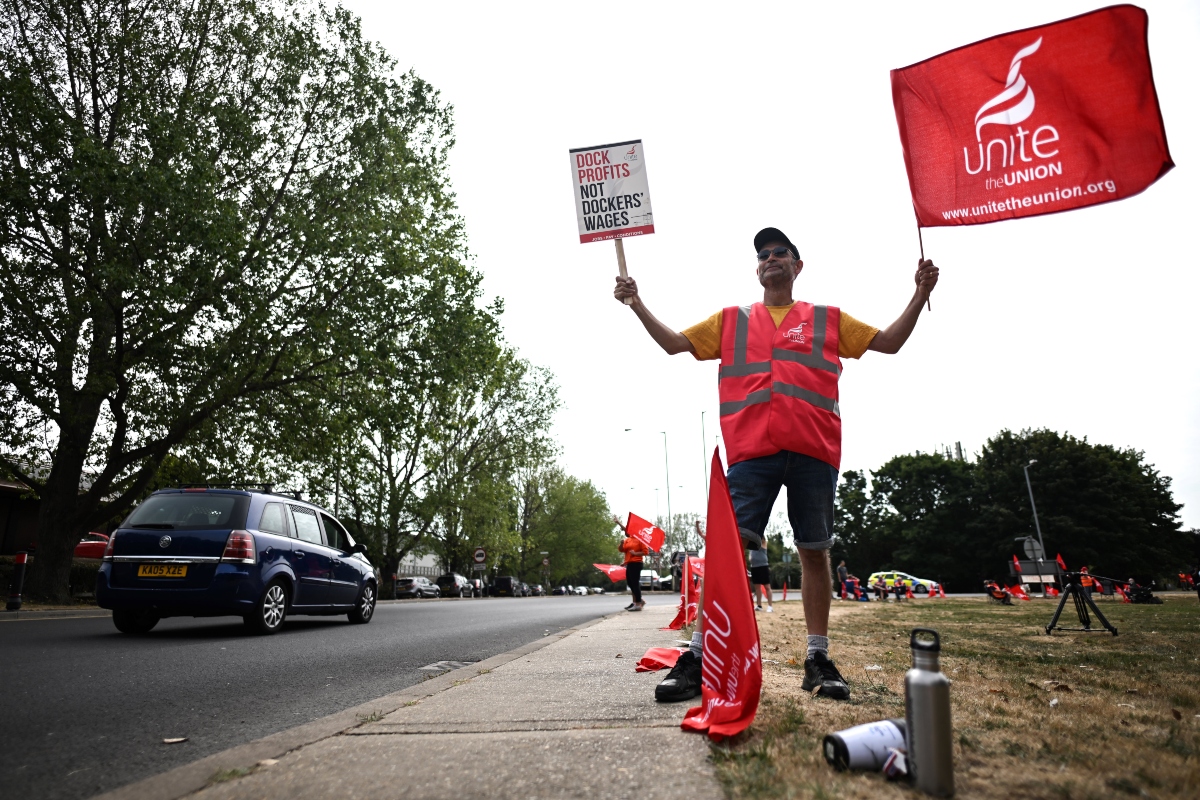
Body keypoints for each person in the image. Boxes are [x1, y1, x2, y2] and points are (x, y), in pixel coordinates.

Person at [617, 226, 938, 702]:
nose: (770, 258)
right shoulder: (732, 320)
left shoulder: (827, 318)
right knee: (728, 553)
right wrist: (636, 303)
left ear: (796, 265)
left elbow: (888, 342)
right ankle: (700, 656)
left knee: (814, 551)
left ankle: (818, 657)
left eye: (779, 252)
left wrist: (920, 293)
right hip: (751, 455)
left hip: (814, 452)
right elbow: (673, 344)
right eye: (763, 255)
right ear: (757, 269)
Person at [614, 514, 648, 611]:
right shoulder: (628, 540)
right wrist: (621, 544)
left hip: (636, 563)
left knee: (635, 583)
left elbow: (645, 552)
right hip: (629, 563)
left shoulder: (640, 540)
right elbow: (622, 550)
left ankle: (638, 603)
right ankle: (637, 601)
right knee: (630, 583)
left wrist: (635, 553)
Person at [749, 545, 773, 612]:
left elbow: (761, 539)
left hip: (763, 566)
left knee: (767, 586)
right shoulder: (751, 545)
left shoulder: (762, 541)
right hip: (754, 567)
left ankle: (770, 606)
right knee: (757, 587)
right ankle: (759, 605)